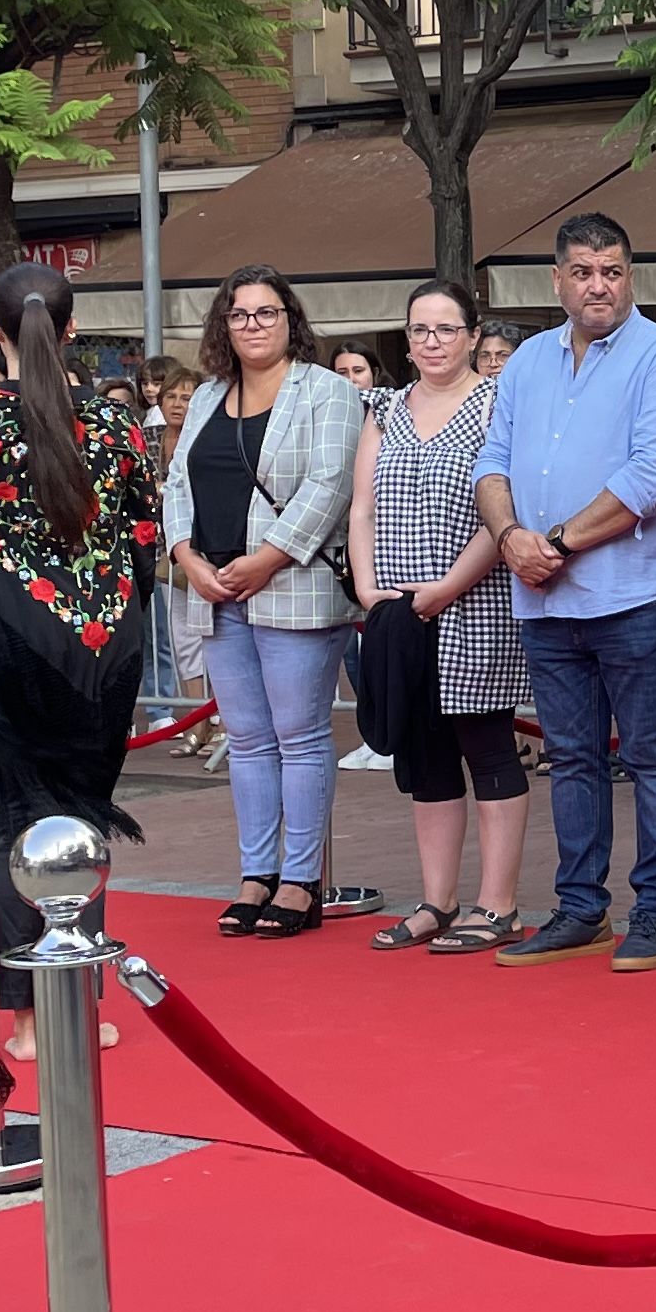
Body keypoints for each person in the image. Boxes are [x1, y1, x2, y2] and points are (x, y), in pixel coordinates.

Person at [0, 261, 160, 1050]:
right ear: (73, 330)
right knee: (81, 818)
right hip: (107, 644)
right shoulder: (117, 422)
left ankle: (29, 1020)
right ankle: (76, 1009)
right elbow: (146, 538)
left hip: (10, 639)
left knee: (20, 821)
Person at [477, 212, 656, 969]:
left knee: (651, 755)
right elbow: (493, 463)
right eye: (583, 271)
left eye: (611, 270)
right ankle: (580, 910)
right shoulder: (529, 361)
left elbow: (653, 474)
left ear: (629, 274)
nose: (598, 284)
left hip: (633, 594)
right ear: (558, 280)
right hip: (544, 598)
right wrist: (511, 537)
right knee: (572, 758)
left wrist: (557, 543)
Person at [161, 266, 370, 937]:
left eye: (266, 312)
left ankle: (302, 882)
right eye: (240, 314)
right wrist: (186, 557)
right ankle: (256, 874)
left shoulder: (329, 392)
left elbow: (329, 483)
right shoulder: (205, 398)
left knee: (301, 736)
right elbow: (176, 483)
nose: (253, 324)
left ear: (291, 320)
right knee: (247, 740)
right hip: (214, 587)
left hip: (292, 585)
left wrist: (268, 558)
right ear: (223, 324)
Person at [344, 282, 531, 955]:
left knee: (486, 746)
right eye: (420, 330)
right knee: (425, 757)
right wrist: (367, 588)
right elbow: (361, 506)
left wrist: (449, 586)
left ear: (473, 334)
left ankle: (498, 904)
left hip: (475, 605)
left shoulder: (496, 406)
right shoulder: (384, 408)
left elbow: (505, 510)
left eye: (446, 329)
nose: (432, 342)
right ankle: (437, 901)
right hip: (397, 609)